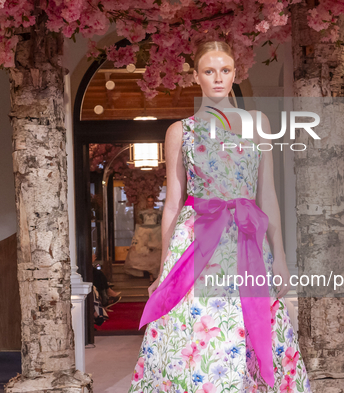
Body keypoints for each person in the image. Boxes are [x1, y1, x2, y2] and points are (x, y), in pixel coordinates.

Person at [128, 41, 311, 392]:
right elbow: (172, 202)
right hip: (196, 238)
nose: (218, 79)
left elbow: (267, 194)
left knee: (251, 325)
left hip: (245, 235)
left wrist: (282, 258)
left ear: (235, 74)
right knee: (195, 332)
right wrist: (163, 267)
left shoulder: (258, 124)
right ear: (195, 76)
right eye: (209, 71)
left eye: (225, 70)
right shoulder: (180, 131)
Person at [123, 195, 163, 281]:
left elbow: (159, 222)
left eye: (151, 201)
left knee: (154, 252)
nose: (150, 203)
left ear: (153, 202)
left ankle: (153, 274)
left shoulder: (158, 212)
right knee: (144, 251)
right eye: (148, 201)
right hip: (144, 232)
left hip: (155, 232)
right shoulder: (142, 212)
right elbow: (141, 221)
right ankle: (148, 273)